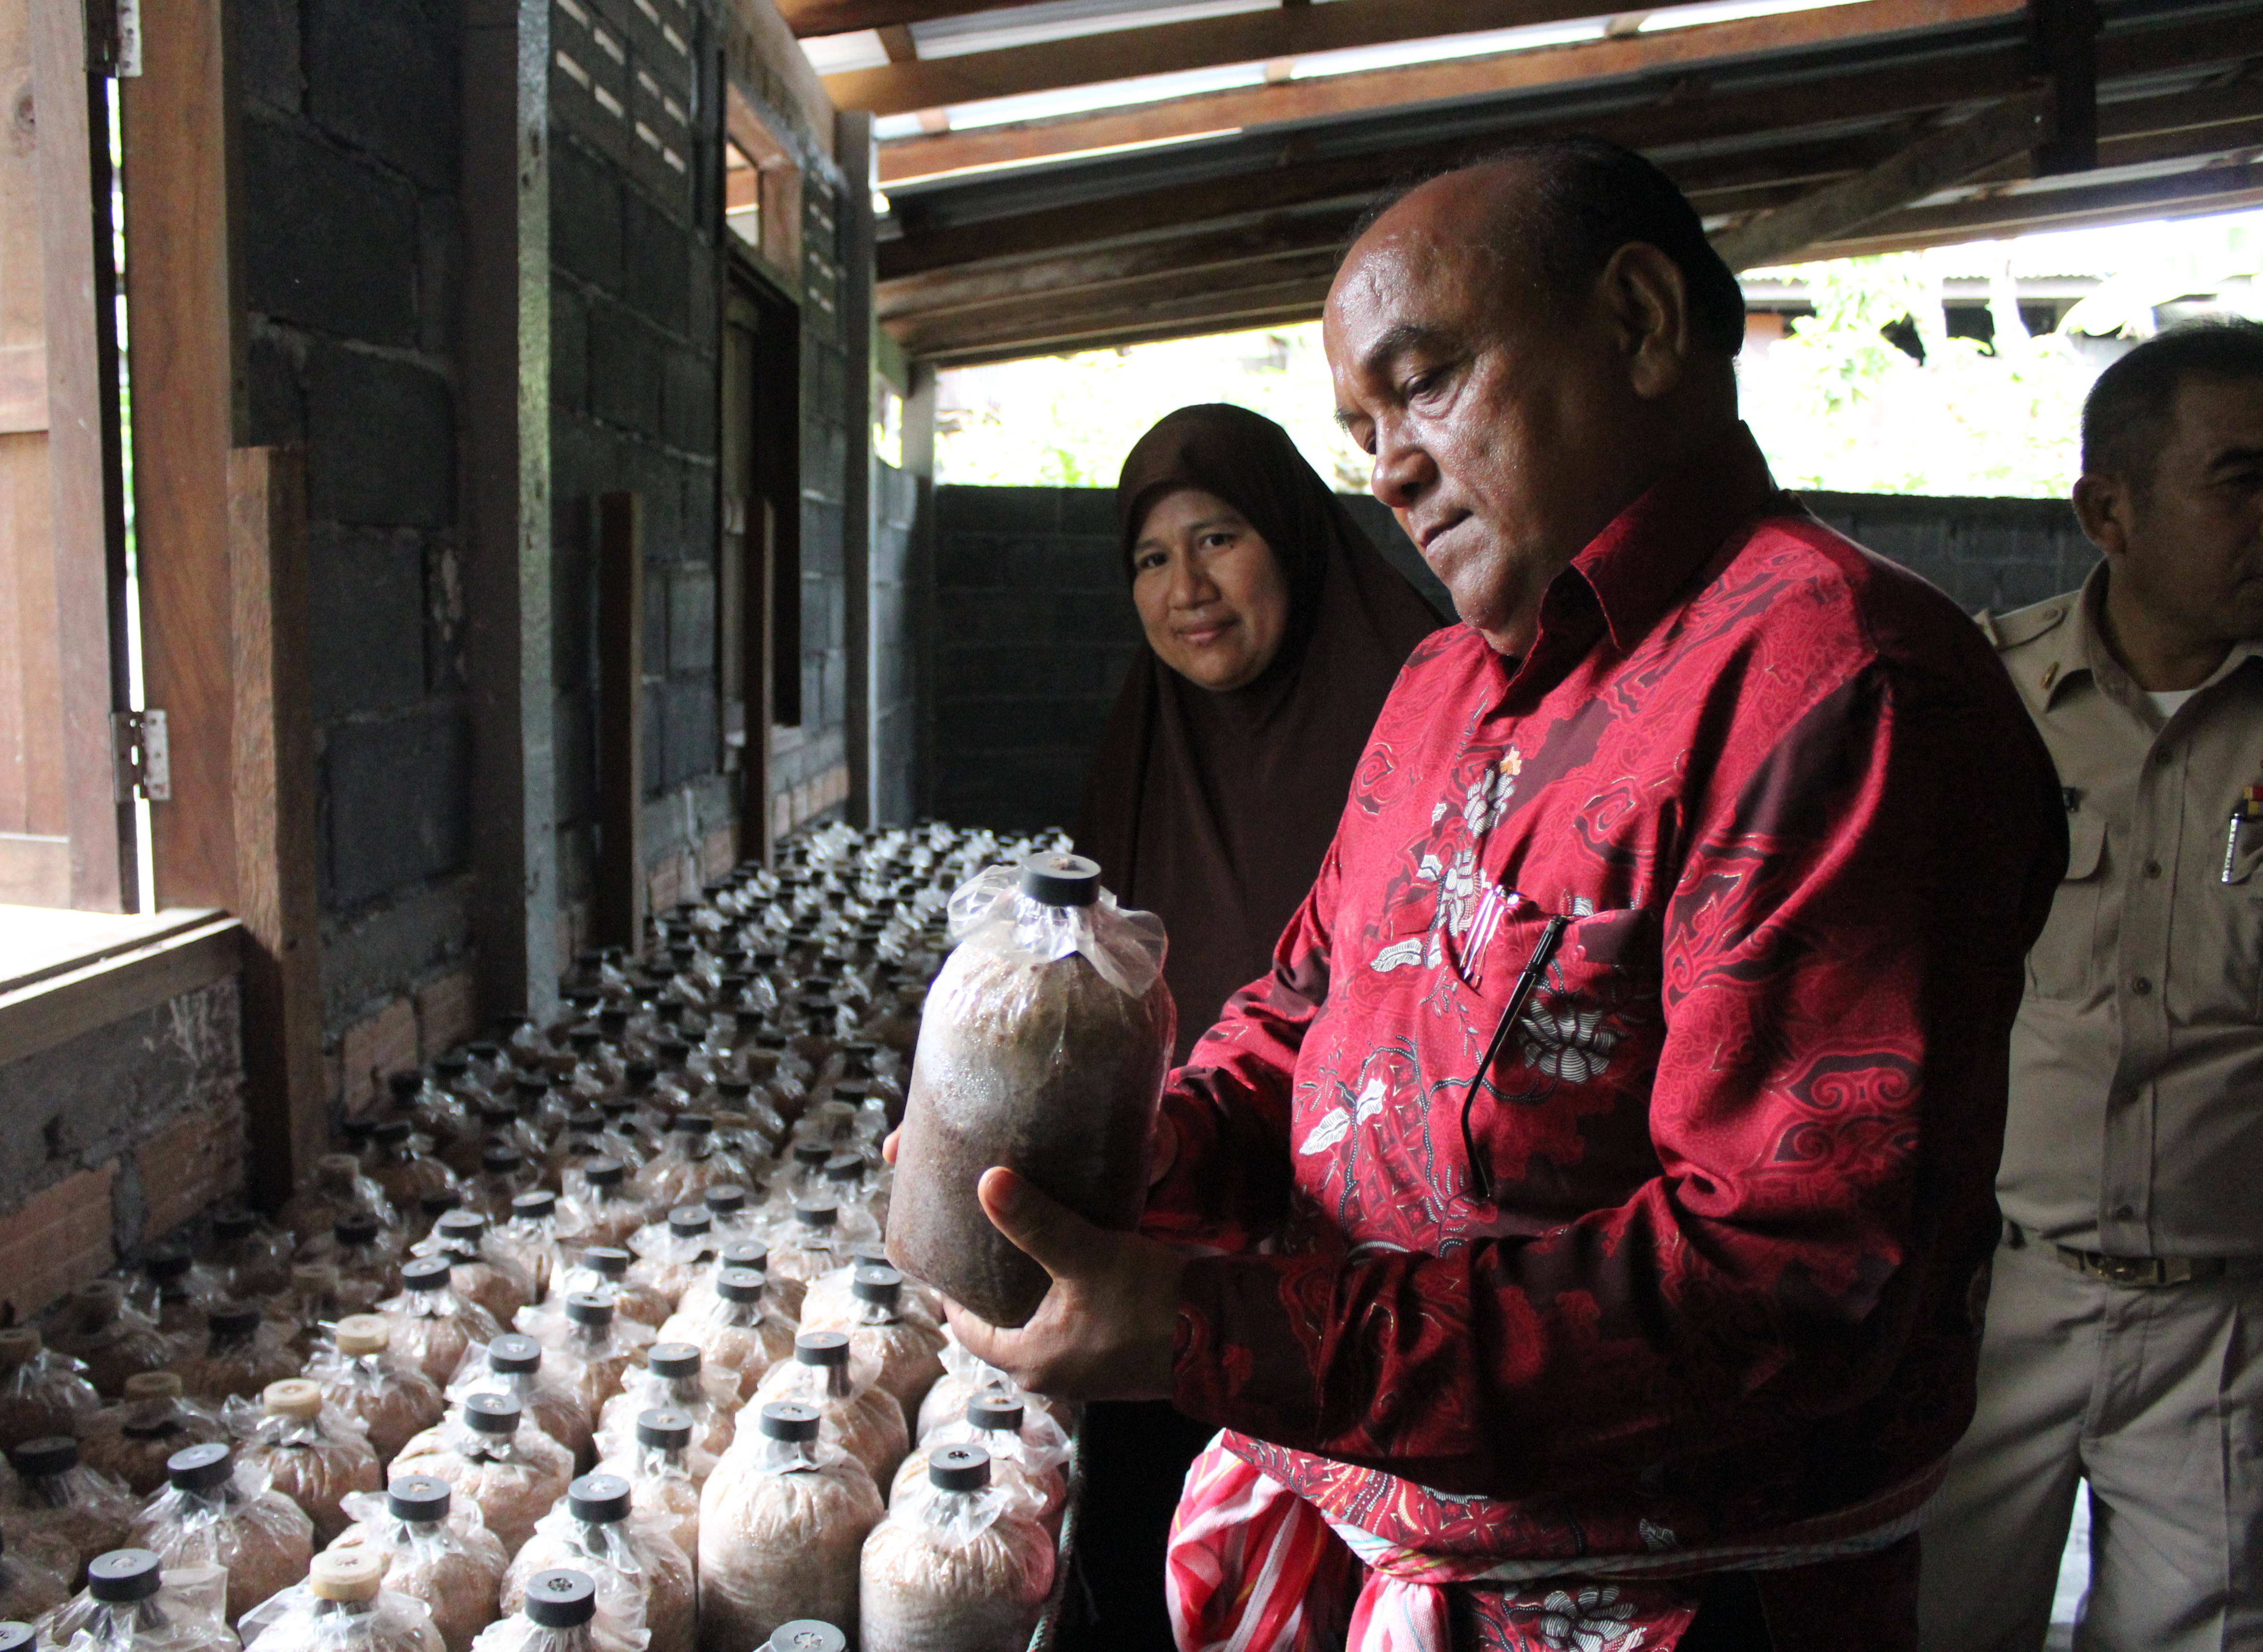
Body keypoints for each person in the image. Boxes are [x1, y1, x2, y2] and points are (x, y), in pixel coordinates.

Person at [927, 136, 2066, 1650]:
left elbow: (1779, 1282)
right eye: (1360, 423)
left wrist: (1213, 1327)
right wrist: (1092, 1162)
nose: (1388, 465)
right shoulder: (1444, 689)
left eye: (1426, 384)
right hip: (1375, 1542)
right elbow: (1305, 1012)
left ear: (1644, 322)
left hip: (1666, 1609)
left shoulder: (1840, 686)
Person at [1070, 403, 1444, 1645]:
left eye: (1219, 538)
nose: (1188, 588)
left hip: (1371, 1297)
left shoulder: (1430, 713)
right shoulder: (1142, 745)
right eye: (1151, 558)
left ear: (1289, 535)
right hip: (1173, 1246)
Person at [1917, 321, 2263, 1652]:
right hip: (1992, 1297)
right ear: (2105, 510)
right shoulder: (1977, 706)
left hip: (2225, 1323)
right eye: (2241, 478)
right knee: (1929, 1622)